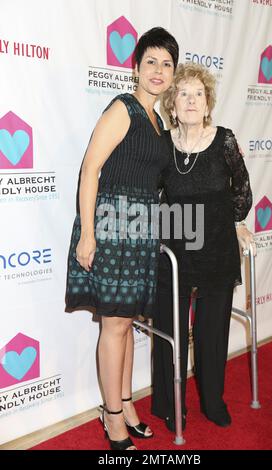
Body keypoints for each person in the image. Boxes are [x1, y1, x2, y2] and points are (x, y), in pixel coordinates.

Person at [65, 27, 179, 450]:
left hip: (139, 230)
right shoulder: (123, 109)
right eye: (151, 61)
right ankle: (111, 416)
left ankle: (127, 404)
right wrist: (88, 234)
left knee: (126, 324)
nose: (158, 70)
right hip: (111, 228)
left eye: (166, 64)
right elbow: (90, 169)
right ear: (135, 67)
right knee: (114, 326)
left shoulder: (156, 120)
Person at [152, 63, 255, 431]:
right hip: (175, 251)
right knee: (170, 330)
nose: (191, 100)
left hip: (215, 249)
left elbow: (242, 193)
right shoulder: (163, 146)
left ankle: (213, 401)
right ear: (172, 104)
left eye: (198, 94)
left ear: (208, 104)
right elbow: (152, 197)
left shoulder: (224, 139)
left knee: (212, 334)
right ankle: (170, 404)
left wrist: (235, 223)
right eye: (183, 93)